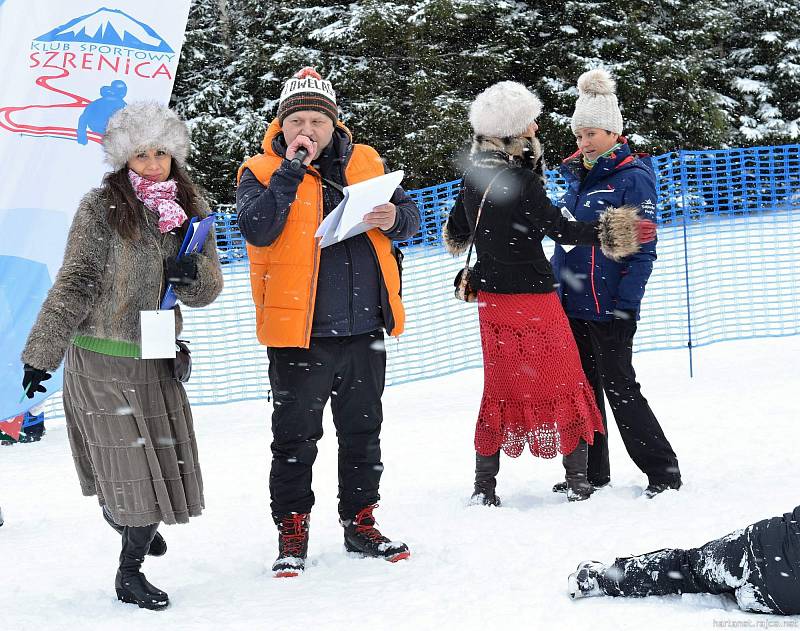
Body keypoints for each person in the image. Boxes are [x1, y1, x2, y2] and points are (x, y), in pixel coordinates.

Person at [20, 101, 223, 610]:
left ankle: (133, 521)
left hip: (155, 359)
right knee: (132, 475)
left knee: (149, 471)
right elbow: (76, 281)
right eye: (140, 155)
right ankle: (129, 570)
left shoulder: (192, 210)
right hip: (98, 358)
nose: (153, 163)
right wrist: (41, 354)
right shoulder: (100, 207)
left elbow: (210, 287)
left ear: (174, 154)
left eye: (161, 153)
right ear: (122, 159)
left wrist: (193, 279)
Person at [236, 67, 419, 578]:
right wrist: (292, 171)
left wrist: (394, 219)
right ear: (281, 126)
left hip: (365, 328)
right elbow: (257, 228)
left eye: (317, 120)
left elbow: (410, 218)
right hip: (300, 333)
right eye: (297, 120)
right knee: (295, 438)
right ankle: (292, 528)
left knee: (363, 432)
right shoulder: (260, 169)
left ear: (334, 124)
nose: (307, 130)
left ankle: (360, 521)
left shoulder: (366, 161)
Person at [443, 81, 656, 506]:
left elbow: (458, 232)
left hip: (492, 302)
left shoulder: (473, 178)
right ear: (515, 131)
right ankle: (579, 479)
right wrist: (611, 232)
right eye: (530, 121)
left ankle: (484, 487)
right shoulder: (523, 180)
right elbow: (559, 229)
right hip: (537, 301)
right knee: (567, 383)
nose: (538, 126)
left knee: (500, 387)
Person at [550, 69, 682, 499]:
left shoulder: (633, 177)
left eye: (591, 134)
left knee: (621, 388)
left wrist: (627, 303)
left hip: (610, 305)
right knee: (583, 391)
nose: (583, 142)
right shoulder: (577, 175)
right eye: (579, 134)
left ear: (613, 132)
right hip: (572, 303)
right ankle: (593, 471)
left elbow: (643, 247)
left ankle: (663, 471)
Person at [568, 503, 800, 615]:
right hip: (783, 597)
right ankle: (750, 594)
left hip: (758, 549)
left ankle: (599, 579)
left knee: (685, 568)